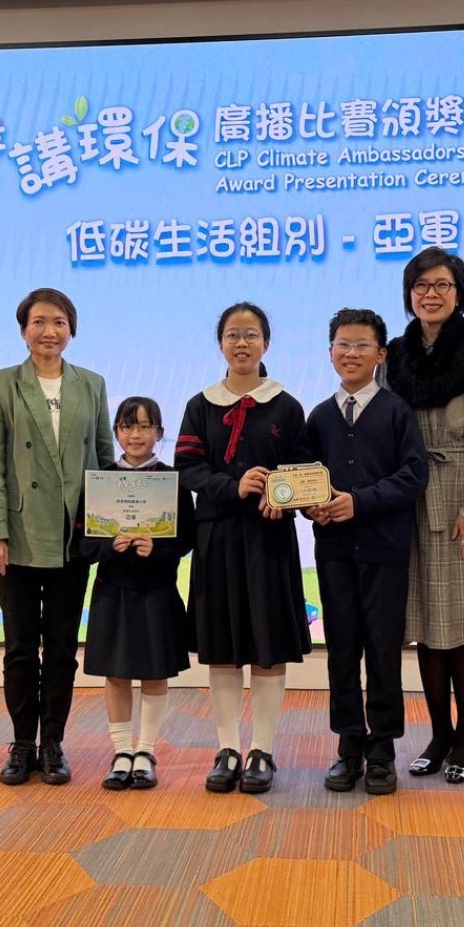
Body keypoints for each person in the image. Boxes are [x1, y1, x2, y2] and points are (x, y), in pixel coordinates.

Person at [0, 287, 116, 786]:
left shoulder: (91, 384)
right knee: (19, 647)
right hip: (16, 537)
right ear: (23, 331)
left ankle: (53, 742)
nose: (48, 332)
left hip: (71, 538)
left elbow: (103, 460)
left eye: (58, 322)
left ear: (71, 330)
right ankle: (21, 744)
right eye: (38, 322)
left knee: (60, 648)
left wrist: (106, 530)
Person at [175, 302, 309, 795]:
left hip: (269, 539)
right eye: (233, 334)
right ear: (220, 344)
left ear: (266, 343)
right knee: (223, 648)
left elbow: (304, 471)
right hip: (218, 540)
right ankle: (228, 748)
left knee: (268, 646)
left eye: (251, 334)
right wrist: (234, 486)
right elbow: (187, 468)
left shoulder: (286, 406)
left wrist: (279, 494)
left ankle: (263, 750)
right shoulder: (201, 405)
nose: (241, 343)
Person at [384, 248, 464, 784]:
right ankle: (438, 734)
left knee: (462, 626)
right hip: (408, 498)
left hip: (462, 502)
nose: (431, 294)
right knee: (426, 626)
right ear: (409, 294)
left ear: (459, 293)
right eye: (421, 286)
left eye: (443, 285)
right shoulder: (394, 356)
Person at [299, 308, 428, 795]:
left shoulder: (397, 412)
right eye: (343, 345)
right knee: (341, 649)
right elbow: (303, 479)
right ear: (330, 352)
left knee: (382, 650)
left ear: (381, 354)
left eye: (361, 345)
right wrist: (310, 507)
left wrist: (360, 502)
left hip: (384, 550)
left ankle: (382, 750)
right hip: (334, 551)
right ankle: (348, 745)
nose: (351, 354)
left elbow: (414, 475)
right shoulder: (319, 416)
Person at [80, 396, 195, 791]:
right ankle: (121, 752)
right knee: (115, 674)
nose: (136, 434)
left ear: (159, 433)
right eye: (128, 426)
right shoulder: (100, 481)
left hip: (157, 590)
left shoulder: (172, 481)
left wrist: (156, 549)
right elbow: (83, 544)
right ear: (116, 432)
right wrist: (109, 546)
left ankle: (145, 751)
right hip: (112, 591)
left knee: (154, 672)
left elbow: (186, 538)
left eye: (145, 426)